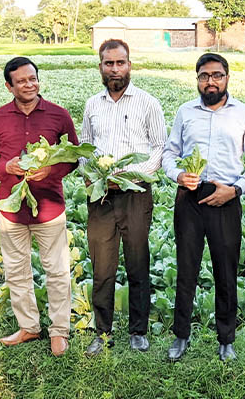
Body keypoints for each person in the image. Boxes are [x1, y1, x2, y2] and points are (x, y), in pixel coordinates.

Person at [162, 53, 245, 361]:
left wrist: (235, 190)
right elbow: (170, 152)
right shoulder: (185, 112)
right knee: (186, 270)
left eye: (217, 75)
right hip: (190, 197)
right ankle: (181, 336)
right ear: (197, 80)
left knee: (226, 270)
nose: (210, 81)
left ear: (227, 78)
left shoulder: (244, 114)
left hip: (226, 199)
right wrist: (178, 174)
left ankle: (226, 339)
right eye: (204, 76)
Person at [0, 57, 78, 357]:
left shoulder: (58, 115)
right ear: (9, 86)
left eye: (33, 78)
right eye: (21, 81)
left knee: (57, 270)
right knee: (16, 270)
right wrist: (5, 167)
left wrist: (51, 171)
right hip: (12, 208)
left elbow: (73, 156)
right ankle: (29, 326)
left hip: (49, 207)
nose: (29, 84)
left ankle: (59, 330)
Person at [80, 39, 166, 355]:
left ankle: (138, 331)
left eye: (120, 62)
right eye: (109, 63)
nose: (115, 69)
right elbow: (85, 148)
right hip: (100, 195)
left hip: (136, 194)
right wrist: (95, 175)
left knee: (137, 261)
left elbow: (160, 147)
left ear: (130, 64)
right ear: (100, 66)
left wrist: (132, 175)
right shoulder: (92, 105)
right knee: (102, 267)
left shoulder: (147, 103)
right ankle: (102, 332)